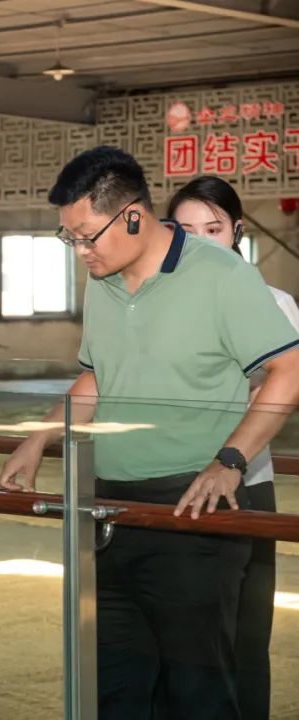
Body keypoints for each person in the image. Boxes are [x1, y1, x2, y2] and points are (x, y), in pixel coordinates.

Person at [0, 147, 299, 720]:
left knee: (197, 690)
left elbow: (289, 370)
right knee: (117, 687)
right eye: (70, 239)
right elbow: (96, 377)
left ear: (133, 216)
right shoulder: (103, 281)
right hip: (110, 512)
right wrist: (38, 438)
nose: (81, 251)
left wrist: (231, 460)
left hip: (191, 510)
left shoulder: (222, 276)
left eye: (87, 236)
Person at [168, 175, 299, 720]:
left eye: (213, 229)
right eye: (184, 230)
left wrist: (230, 457)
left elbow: (282, 385)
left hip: (244, 484)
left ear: (238, 232)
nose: (199, 242)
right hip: (165, 482)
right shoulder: (151, 302)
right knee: (179, 641)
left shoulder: (271, 303)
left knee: (242, 638)